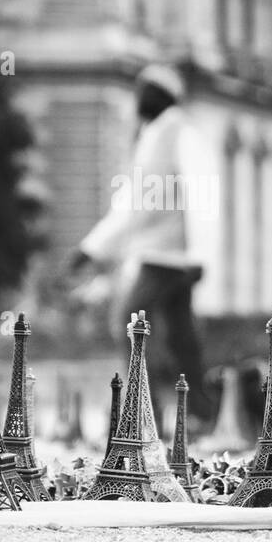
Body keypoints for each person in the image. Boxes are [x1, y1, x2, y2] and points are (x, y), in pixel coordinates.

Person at [73, 63, 214, 423]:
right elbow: (131, 206)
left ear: (162, 97)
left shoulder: (180, 132)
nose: (140, 97)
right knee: (180, 336)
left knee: (129, 320)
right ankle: (199, 411)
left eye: (147, 90)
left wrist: (200, 253)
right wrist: (91, 249)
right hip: (160, 254)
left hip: (170, 256)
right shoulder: (152, 136)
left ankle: (147, 412)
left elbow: (202, 193)